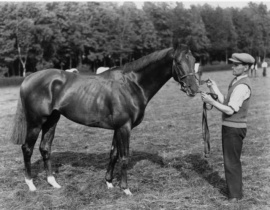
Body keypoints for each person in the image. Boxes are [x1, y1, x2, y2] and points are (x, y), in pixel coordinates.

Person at [200, 53, 254, 202]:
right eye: (233, 64)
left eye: (236, 65)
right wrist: (214, 88)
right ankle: (234, 192)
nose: (233, 67)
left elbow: (230, 110)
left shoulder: (242, 85)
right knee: (230, 160)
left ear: (246, 67)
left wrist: (211, 100)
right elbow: (225, 102)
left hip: (234, 129)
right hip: (230, 127)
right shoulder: (236, 81)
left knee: (232, 161)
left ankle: (235, 195)